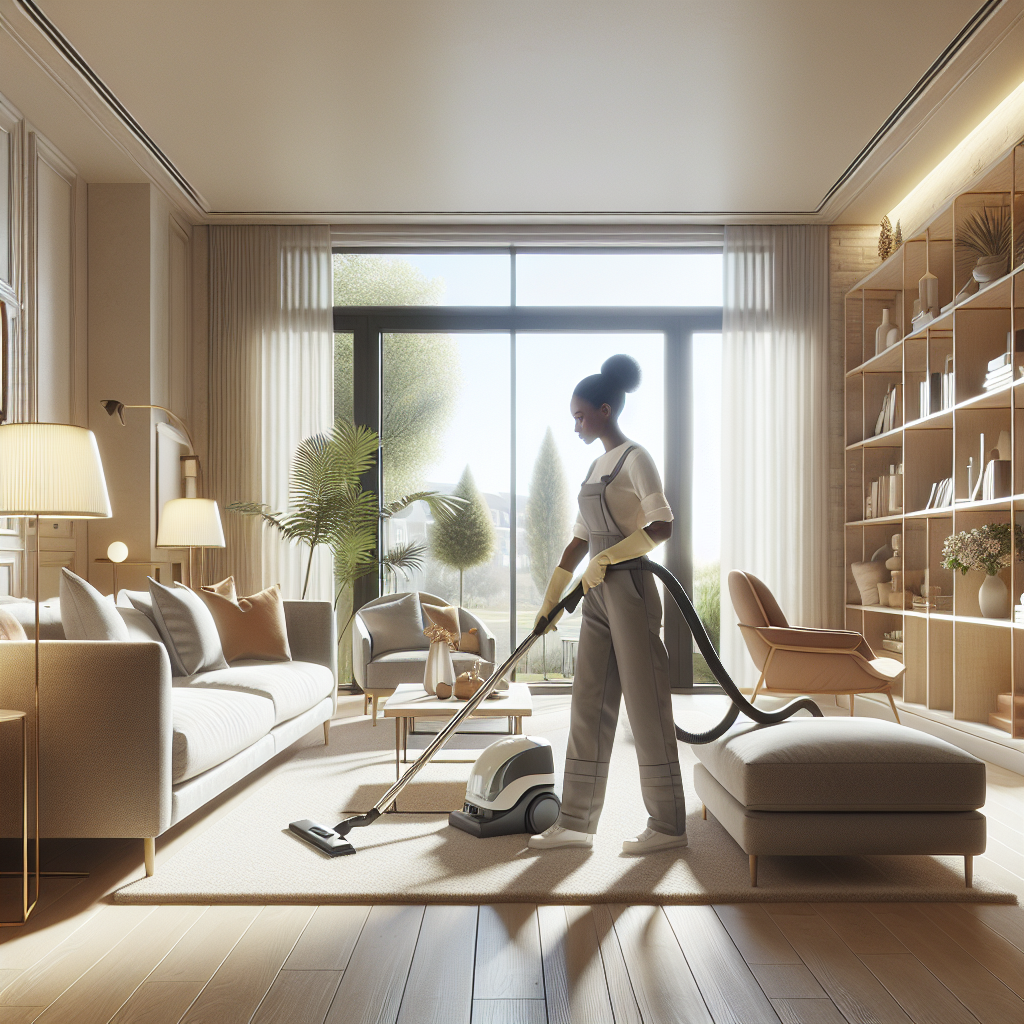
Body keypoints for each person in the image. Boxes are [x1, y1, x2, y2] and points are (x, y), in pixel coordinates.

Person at [528, 354, 688, 854]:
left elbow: (662, 525)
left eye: (580, 416)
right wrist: (551, 599)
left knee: (644, 704)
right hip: (595, 590)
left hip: (631, 587)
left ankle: (667, 826)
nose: (575, 425)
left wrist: (612, 558)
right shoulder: (595, 465)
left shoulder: (635, 458)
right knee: (588, 702)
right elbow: (578, 543)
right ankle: (575, 822)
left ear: (604, 409)